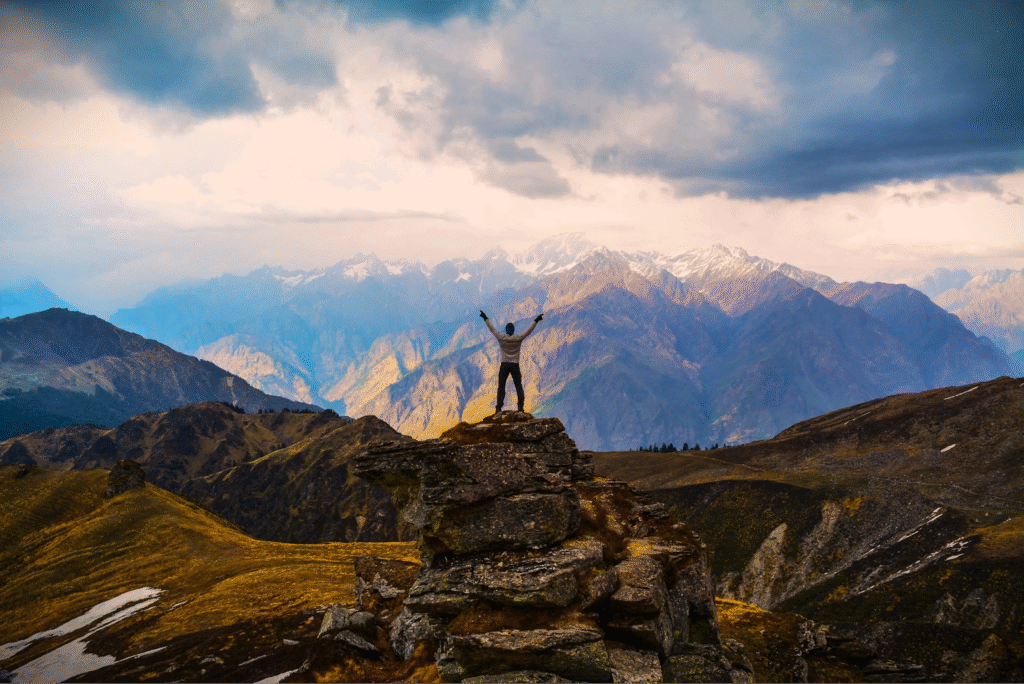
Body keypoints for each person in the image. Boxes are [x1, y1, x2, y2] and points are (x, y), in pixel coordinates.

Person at [479, 309, 543, 413]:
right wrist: (536, 320)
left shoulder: (501, 337)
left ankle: (498, 408)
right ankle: (520, 407)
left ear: (506, 330)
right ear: (513, 330)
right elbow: (528, 331)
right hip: (515, 365)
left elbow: (492, 329)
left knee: (501, 386)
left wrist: (485, 318)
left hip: (504, 365)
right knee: (518, 386)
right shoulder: (518, 338)